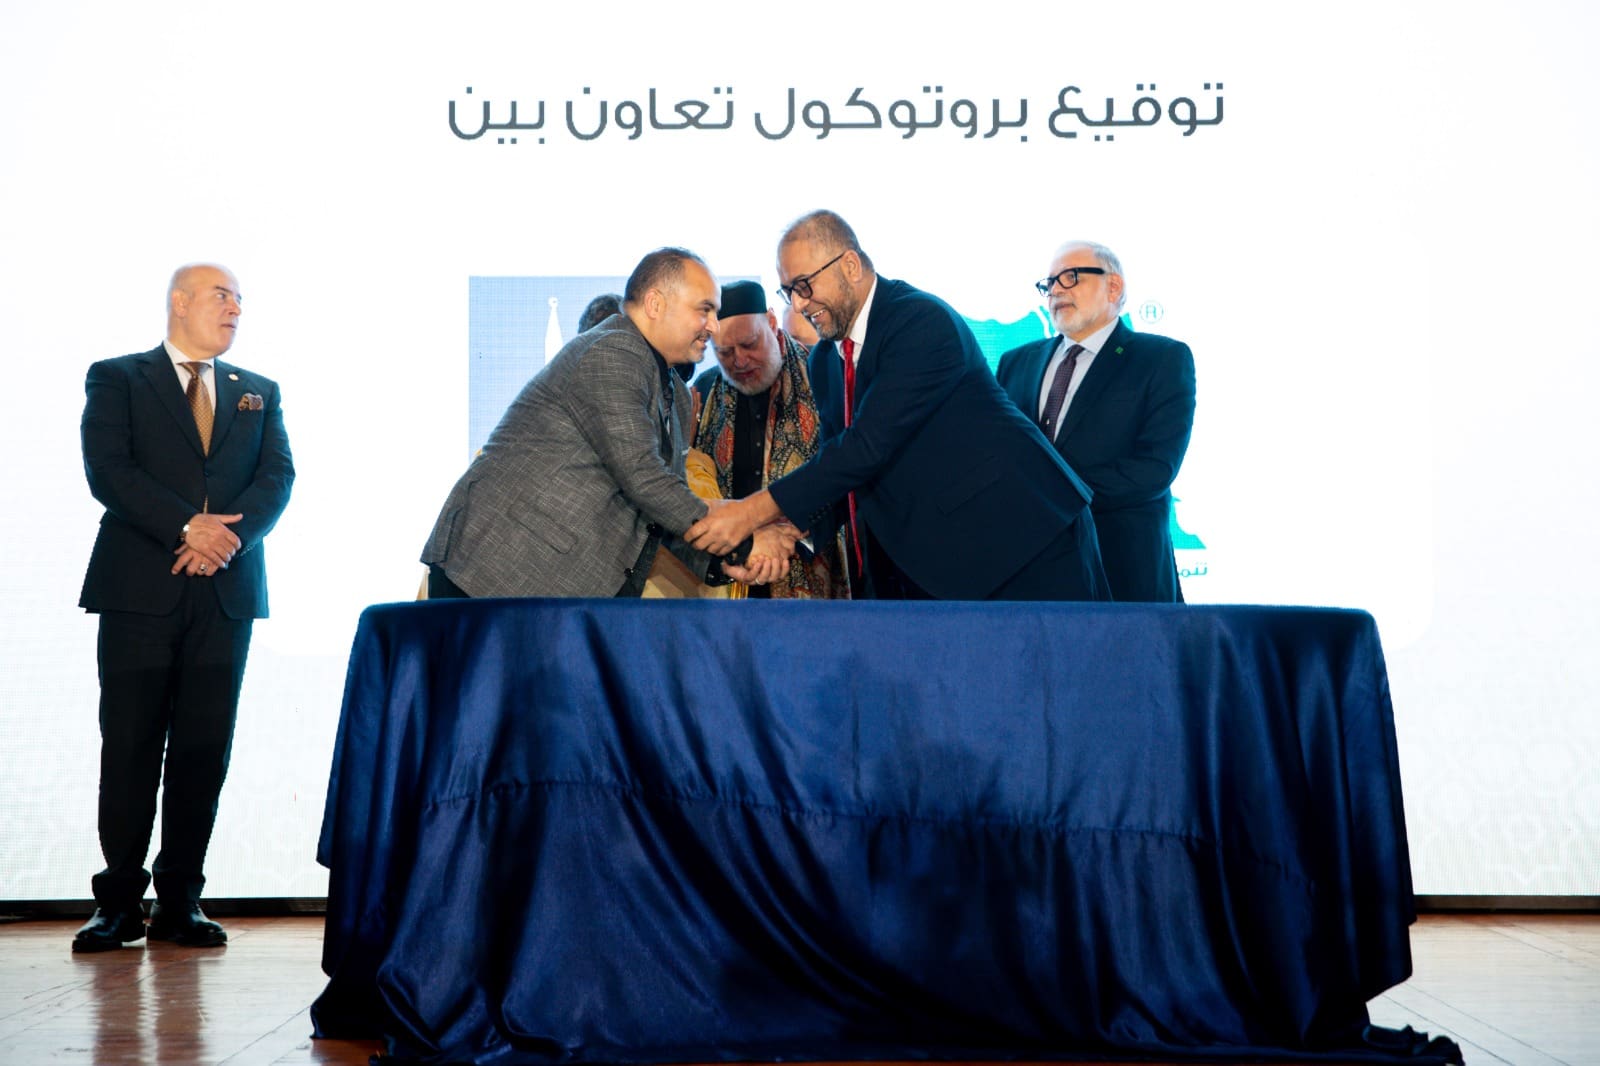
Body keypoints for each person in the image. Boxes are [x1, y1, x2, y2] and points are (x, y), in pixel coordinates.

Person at [686, 211, 1109, 602]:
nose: (798, 304)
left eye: (804, 285)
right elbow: (841, 475)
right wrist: (788, 534)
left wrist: (748, 513)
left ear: (850, 266)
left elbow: (864, 447)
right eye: (789, 291)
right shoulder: (826, 361)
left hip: (1025, 544)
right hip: (935, 565)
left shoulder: (921, 322)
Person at [74, 263, 295, 951]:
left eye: (239, 299)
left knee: (203, 749)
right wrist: (186, 527)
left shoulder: (258, 391)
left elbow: (277, 477)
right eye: (222, 295)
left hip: (226, 592)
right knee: (131, 742)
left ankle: (180, 902)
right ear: (179, 302)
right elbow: (109, 470)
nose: (235, 309)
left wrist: (225, 540)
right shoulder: (118, 377)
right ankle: (118, 903)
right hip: (140, 590)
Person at [422, 248, 790, 598]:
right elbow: (644, 478)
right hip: (497, 573)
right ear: (655, 304)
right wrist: (744, 544)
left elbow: (663, 508)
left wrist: (723, 561)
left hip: (559, 591)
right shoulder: (613, 351)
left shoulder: (675, 393)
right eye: (704, 309)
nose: (713, 326)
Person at [995, 242, 1195, 602]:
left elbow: (1153, 469)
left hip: (1121, 575)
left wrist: (1050, 496)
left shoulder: (1161, 358)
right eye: (1049, 283)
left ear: (1113, 287)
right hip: (1027, 577)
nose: (1056, 290)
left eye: (1070, 277)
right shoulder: (1016, 362)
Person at [692, 280, 847, 599]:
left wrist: (794, 537)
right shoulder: (705, 393)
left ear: (773, 323)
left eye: (750, 344)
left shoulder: (824, 375)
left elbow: (845, 476)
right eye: (725, 352)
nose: (740, 361)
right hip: (733, 577)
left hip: (810, 569)